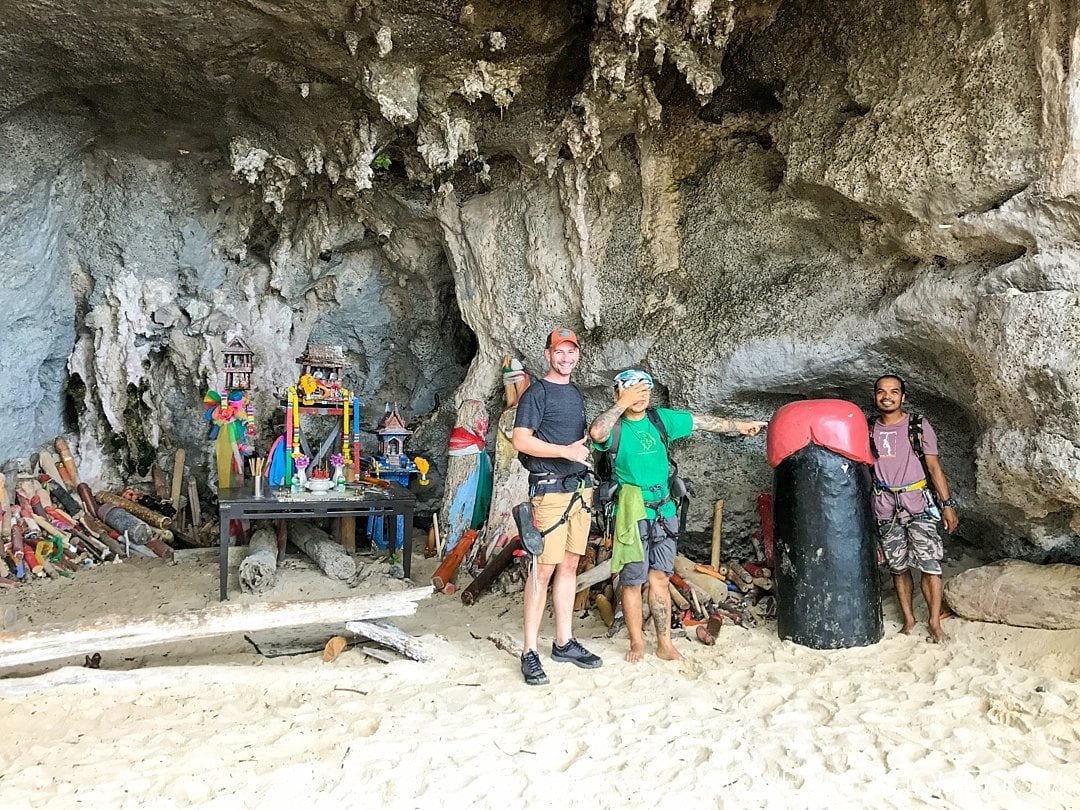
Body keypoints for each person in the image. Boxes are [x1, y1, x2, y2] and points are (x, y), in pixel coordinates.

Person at [589, 370, 767, 663]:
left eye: (645, 389)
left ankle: (664, 644)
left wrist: (741, 425)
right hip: (632, 515)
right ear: (618, 393)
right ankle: (636, 643)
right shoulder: (615, 427)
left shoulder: (661, 420)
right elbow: (596, 433)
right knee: (632, 581)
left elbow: (702, 422)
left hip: (665, 510)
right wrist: (622, 403)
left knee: (660, 577)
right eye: (632, 389)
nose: (640, 395)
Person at [511, 327, 600, 685]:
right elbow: (521, 440)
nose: (566, 358)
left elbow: (575, 440)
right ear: (547, 355)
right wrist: (564, 452)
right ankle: (529, 651)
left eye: (571, 352)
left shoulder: (575, 394)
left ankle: (564, 642)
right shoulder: (537, 393)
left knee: (569, 566)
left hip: (579, 490)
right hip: (549, 493)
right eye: (559, 352)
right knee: (542, 570)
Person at [870, 374, 959, 643]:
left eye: (894, 392)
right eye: (882, 392)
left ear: (902, 397)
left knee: (930, 564)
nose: (887, 396)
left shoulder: (918, 426)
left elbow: (934, 468)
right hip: (885, 507)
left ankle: (934, 622)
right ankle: (909, 620)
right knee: (898, 567)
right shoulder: (867, 429)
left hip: (918, 504)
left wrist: (947, 505)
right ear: (875, 396)